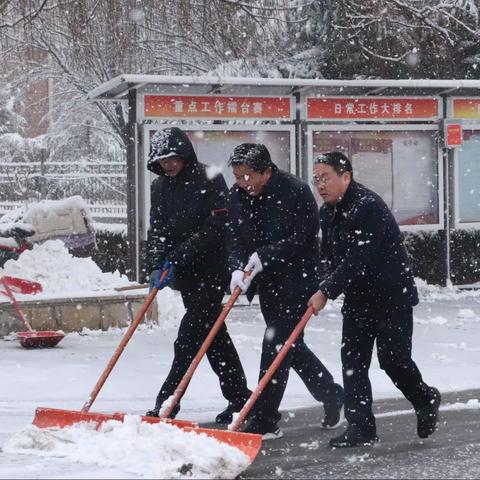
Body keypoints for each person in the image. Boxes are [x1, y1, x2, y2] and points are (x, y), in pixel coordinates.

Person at [308, 151, 441, 448]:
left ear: (346, 176)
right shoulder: (327, 212)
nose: (321, 185)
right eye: (317, 179)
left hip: (391, 294)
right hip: (359, 297)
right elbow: (329, 258)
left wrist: (327, 291)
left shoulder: (368, 207)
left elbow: (358, 259)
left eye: (326, 178)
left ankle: (425, 397)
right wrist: (320, 285)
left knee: (393, 361)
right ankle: (362, 428)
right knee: (353, 361)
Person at [228, 143, 344, 439]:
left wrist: (266, 255)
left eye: (249, 176)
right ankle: (332, 394)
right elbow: (235, 237)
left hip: (298, 281)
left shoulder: (295, 190)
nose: (244, 183)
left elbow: (305, 236)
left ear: (267, 171)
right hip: (269, 285)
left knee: (277, 344)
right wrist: (238, 267)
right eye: (238, 176)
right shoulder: (238, 195)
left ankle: (265, 419)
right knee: (291, 347)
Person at [144, 126, 251, 424]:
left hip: (211, 270)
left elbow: (215, 228)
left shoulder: (209, 178)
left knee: (188, 338)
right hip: (187, 276)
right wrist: (156, 262)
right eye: (163, 159)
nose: (168, 164)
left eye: (173, 157)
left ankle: (167, 403)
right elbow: (159, 230)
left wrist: (177, 256)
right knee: (213, 336)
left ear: (184, 153)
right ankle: (241, 397)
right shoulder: (160, 187)